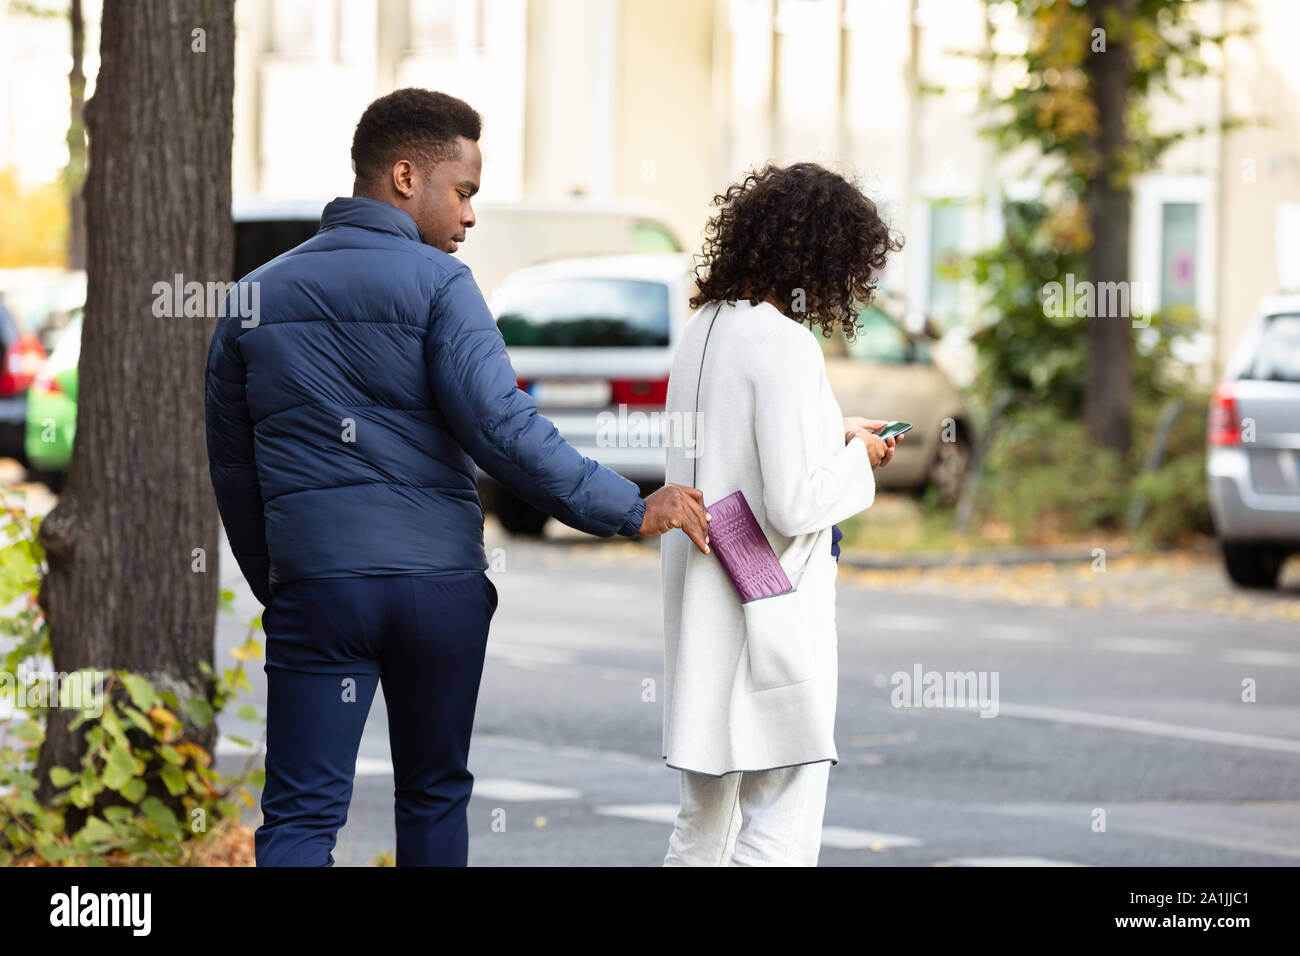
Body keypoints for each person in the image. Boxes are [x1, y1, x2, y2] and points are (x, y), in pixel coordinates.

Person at [204, 88, 710, 867]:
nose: (471, 216)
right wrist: (627, 507)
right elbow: (502, 428)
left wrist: (284, 582)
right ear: (406, 176)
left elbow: (235, 470)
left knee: (302, 815)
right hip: (437, 590)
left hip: (319, 586)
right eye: (464, 191)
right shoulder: (444, 288)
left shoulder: (254, 296)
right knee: (434, 795)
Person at [660, 161, 904, 866]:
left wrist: (835, 434)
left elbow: (734, 455)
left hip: (705, 595)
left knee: (701, 826)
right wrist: (861, 458)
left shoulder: (703, 330)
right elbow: (794, 502)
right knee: (780, 825)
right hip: (769, 599)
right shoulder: (785, 342)